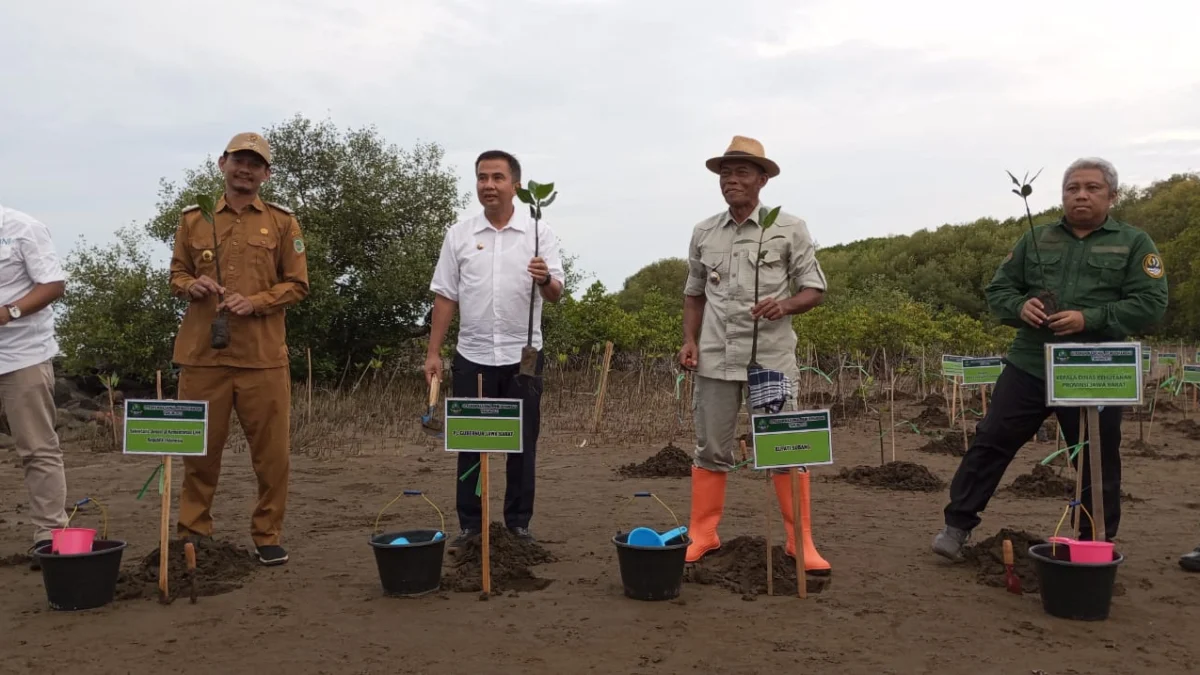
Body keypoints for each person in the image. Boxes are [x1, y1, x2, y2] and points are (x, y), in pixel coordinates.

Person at [933, 157, 1168, 561]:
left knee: (1096, 456)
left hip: (1096, 369)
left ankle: (1094, 542)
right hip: (1031, 363)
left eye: (1092, 188)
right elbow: (998, 290)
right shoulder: (1036, 238)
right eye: (1072, 188)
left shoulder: (1134, 243)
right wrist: (1019, 308)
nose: (1080, 195)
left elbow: (1151, 303)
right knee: (991, 441)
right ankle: (957, 526)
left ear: (1112, 195)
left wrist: (1087, 318)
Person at [678, 135, 831, 574]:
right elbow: (693, 295)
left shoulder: (788, 228)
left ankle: (799, 542)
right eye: (725, 173)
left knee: (785, 445)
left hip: (771, 359)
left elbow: (814, 289)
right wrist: (689, 341)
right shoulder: (704, 232)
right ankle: (703, 533)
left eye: (742, 171)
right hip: (714, 358)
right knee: (710, 447)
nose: (731, 180)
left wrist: (783, 305)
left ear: (762, 180)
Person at [170, 132, 310, 566]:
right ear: (222, 163)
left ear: (266, 174)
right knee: (199, 452)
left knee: (272, 457)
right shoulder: (193, 220)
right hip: (202, 358)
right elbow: (176, 273)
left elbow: (298, 285)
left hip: (263, 359)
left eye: (255, 163)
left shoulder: (284, 223)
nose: (245, 169)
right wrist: (191, 285)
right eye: (238, 160)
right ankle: (194, 534)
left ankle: (267, 535)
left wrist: (256, 302)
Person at [425, 149, 564, 546]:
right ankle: (471, 526)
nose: (488, 185)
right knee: (472, 441)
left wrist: (544, 278)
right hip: (473, 355)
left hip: (523, 358)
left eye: (497, 178)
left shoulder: (540, 233)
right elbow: (445, 297)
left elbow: (556, 294)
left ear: (516, 186)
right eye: (482, 177)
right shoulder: (460, 235)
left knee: (522, 443)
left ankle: (518, 524)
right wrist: (433, 353)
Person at [0, 201, 69, 570]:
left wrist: (8, 312)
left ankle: (49, 535)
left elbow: (53, 284)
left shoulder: (23, 227)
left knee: (37, 449)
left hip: (22, 356)